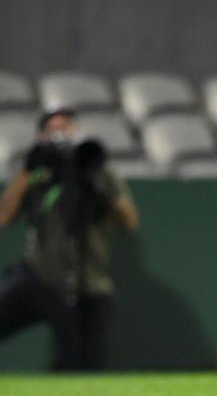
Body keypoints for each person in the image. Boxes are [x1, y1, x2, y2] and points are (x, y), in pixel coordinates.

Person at [0, 107, 139, 370]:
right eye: (51, 131)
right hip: (38, 275)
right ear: (40, 136)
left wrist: (96, 183)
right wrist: (28, 170)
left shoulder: (97, 168)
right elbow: (3, 217)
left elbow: (129, 222)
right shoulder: (37, 173)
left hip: (89, 281)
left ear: (76, 133)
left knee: (84, 367)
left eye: (64, 129)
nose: (58, 136)